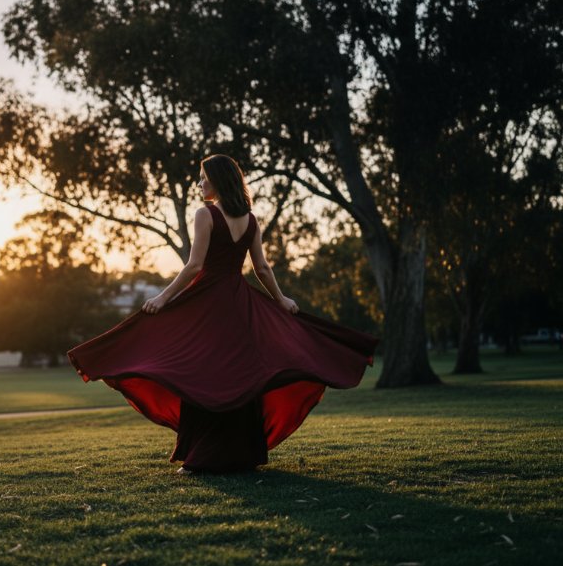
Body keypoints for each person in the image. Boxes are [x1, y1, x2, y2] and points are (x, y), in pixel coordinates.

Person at [67, 154, 378, 474]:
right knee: (237, 375)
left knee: (204, 374)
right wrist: (281, 299)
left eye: (203, 177)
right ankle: (240, 455)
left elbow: (195, 266)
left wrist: (163, 297)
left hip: (209, 303)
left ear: (218, 180)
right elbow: (262, 268)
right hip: (238, 304)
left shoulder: (206, 214)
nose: (199, 183)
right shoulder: (251, 220)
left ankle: (201, 458)